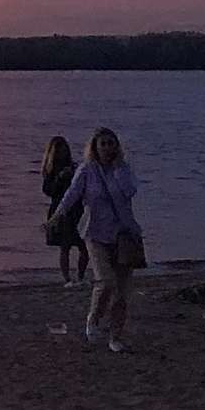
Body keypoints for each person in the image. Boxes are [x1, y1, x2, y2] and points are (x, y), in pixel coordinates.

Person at [50, 126, 143, 352]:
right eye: (103, 144)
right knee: (106, 281)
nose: (108, 147)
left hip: (123, 235)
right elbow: (72, 194)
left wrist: (117, 169)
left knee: (122, 291)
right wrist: (57, 216)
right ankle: (93, 320)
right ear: (95, 147)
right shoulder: (86, 170)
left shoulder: (124, 169)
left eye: (111, 143)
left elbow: (131, 191)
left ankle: (115, 336)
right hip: (95, 234)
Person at [41, 135, 90, 287]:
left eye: (64, 149)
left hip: (76, 209)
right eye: (59, 150)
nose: (62, 153)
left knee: (84, 245)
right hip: (60, 209)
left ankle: (80, 276)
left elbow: (81, 187)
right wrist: (59, 178)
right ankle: (67, 278)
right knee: (65, 246)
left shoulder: (75, 167)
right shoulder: (50, 170)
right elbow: (48, 191)